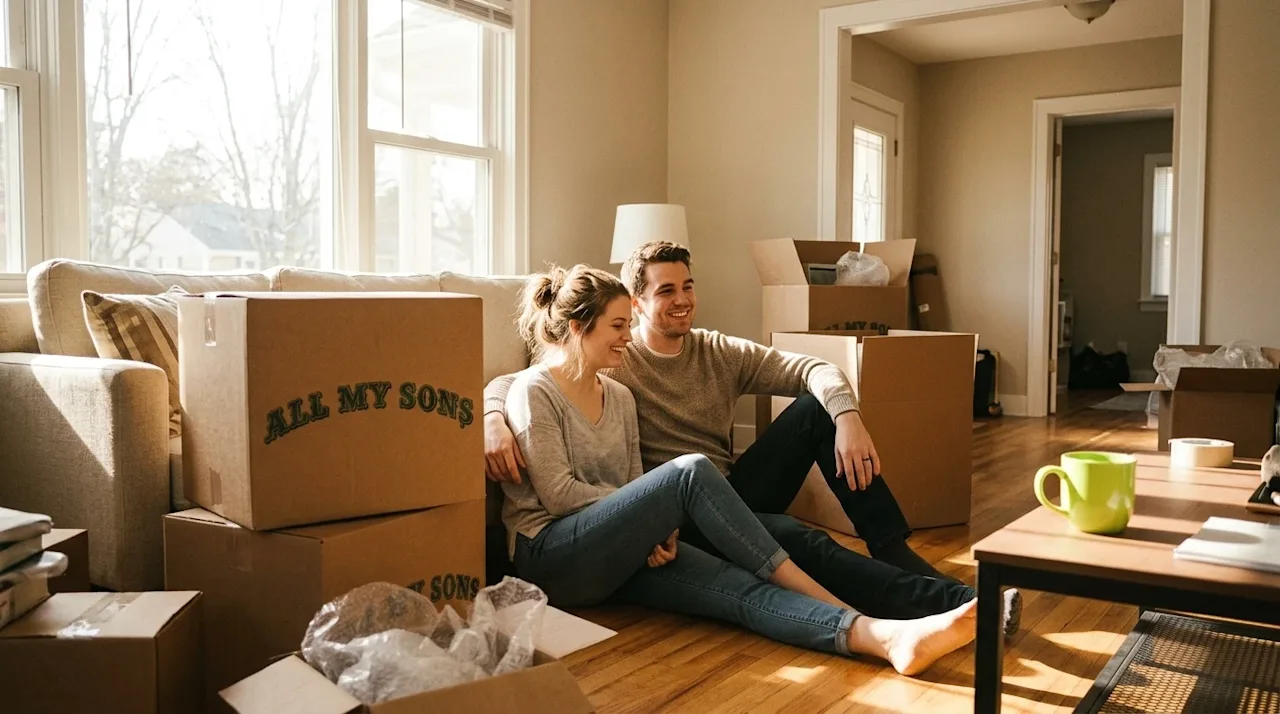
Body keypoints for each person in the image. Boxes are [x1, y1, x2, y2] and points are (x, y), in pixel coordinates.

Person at [486, 241, 1020, 633]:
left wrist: (849, 416)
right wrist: (491, 415)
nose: (681, 300)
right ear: (638, 302)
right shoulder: (615, 359)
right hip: (672, 508)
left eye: (688, 286)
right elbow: (531, 378)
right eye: (665, 290)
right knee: (804, 540)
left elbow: (813, 367)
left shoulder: (716, 351)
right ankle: (954, 602)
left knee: (816, 410)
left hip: (728, 489)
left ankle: (894, 551)